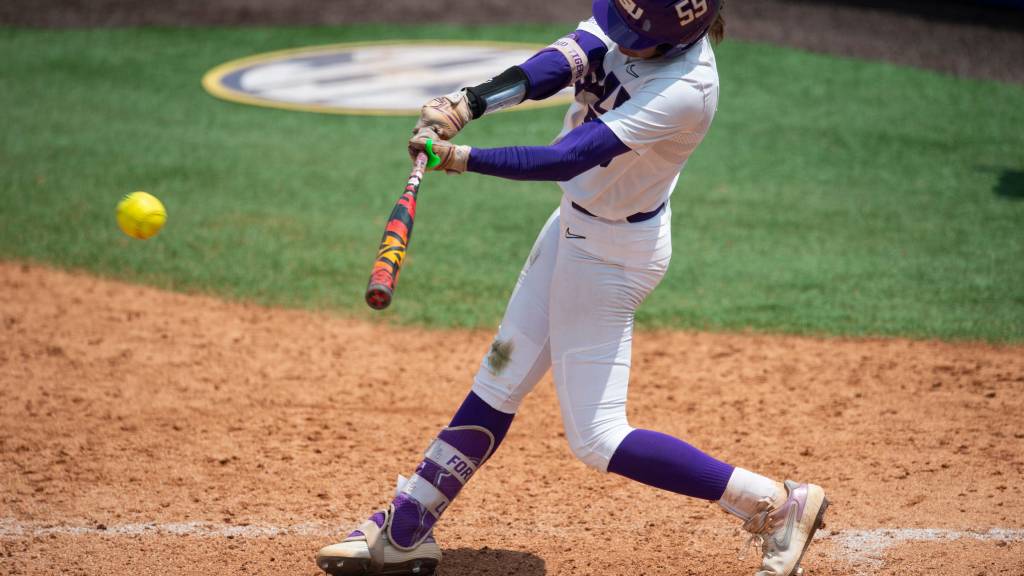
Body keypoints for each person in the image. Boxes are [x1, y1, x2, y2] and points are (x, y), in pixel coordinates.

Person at [317, 1, 828, 575]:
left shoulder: (686, 90)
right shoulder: (632, 22)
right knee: (500, 377)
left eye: (629, 31)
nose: (614, 32)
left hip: (611, 256)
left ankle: (777, 506)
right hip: (574, 226)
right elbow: (560, 62)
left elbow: (565, 158)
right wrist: (469, 103)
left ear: (666, 38)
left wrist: (459, 158)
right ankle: (406, 528)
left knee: (598, 437)